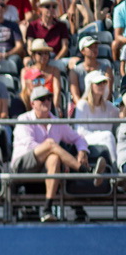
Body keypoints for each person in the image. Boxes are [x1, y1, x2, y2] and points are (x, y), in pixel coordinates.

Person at [11, 86, 100, 223]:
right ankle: (85, 170)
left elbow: (78, 138)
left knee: (54, 158)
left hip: (44, 167)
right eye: (42, 99)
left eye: (49, 98)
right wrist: (55, 151)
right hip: (22, 165)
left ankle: (47, 208)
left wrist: (82, 151)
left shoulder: (56, 121)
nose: (47, 102)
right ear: (32, 103)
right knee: (51, 145)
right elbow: (29, 146)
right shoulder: (24, 119)